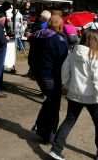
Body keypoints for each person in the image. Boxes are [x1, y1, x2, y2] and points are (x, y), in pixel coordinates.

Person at [49, 30, 98, 160]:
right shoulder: (97, 56)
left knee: (69, 121)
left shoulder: (72, 53)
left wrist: (68, 86)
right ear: (95, 40)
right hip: (92, 96)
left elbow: (64, 72)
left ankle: (56, 149)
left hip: (74, 93)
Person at [28, 15, 68, 143]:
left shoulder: (38, 34)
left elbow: (31, 56)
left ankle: (41, 126)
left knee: (50, 101)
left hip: (40, 73)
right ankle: (47, 133)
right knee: (54, 104)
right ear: (59, 25)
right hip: (51, 75)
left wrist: (33, 70)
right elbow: (63, 59)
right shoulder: (56, 38)